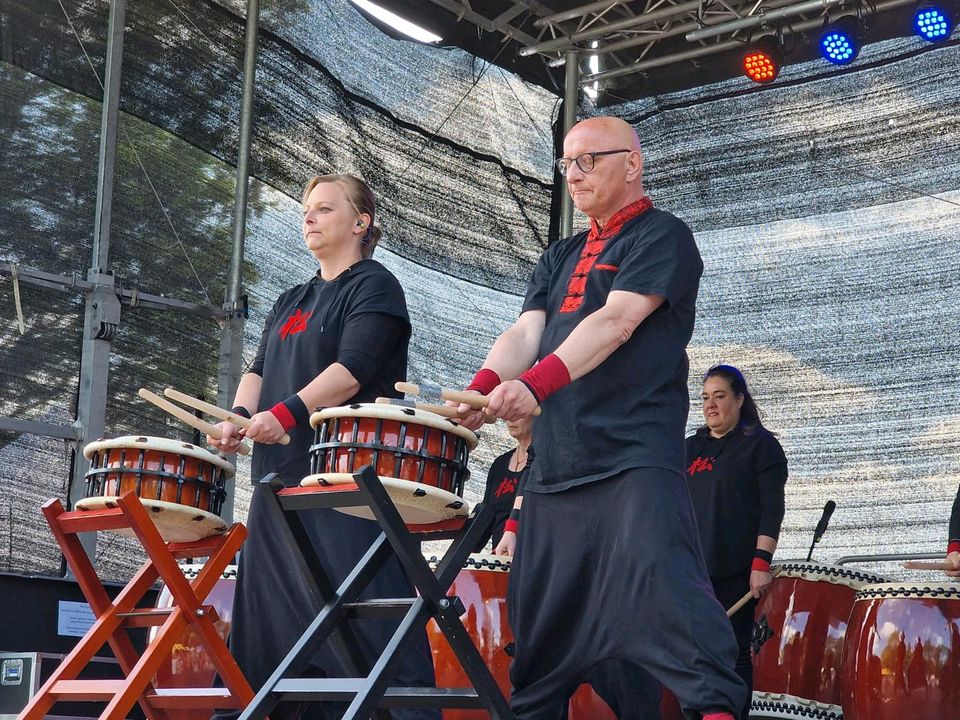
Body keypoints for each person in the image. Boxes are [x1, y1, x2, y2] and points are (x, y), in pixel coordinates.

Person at [454, 116, 745, 720]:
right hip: (556, 472)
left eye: (588, 161)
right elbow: (526, 330)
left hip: (632, 463)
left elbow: (616, 322)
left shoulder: (662, 235)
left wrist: (533, 386)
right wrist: (481, 391)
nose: (573, 175)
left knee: (675, 612)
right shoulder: (560, 253)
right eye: (566, 164)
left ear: (632, 163)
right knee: (538, 648)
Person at [208, 174, 438, 720]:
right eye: (306, 209)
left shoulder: (375, 286)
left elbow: (354, 369)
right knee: (273, 624)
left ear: (361, 222)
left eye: (324, 208)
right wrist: (241, 417)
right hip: (278, 480)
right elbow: (258, 370)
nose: (308, 217)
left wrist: (285, 413)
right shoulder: (292, 298)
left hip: (346, 483)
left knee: (364, 617)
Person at [685, 364, 788, 720]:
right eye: (705, 398)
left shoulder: (761, 446)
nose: (710, 405)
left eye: (720, 396)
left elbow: (772, 508)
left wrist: (761, 563)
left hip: (736, 571)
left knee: (731, 652)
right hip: (690, 571)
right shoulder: (689, 448)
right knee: (691, 655)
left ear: (740, 399)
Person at [475, 417, 531, 553]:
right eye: (508, 413)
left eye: (517, 413)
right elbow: (486, 514)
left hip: (527, 557)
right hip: (499, 558)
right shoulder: (500, 463)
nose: (510, 419)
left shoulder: (544, 461)